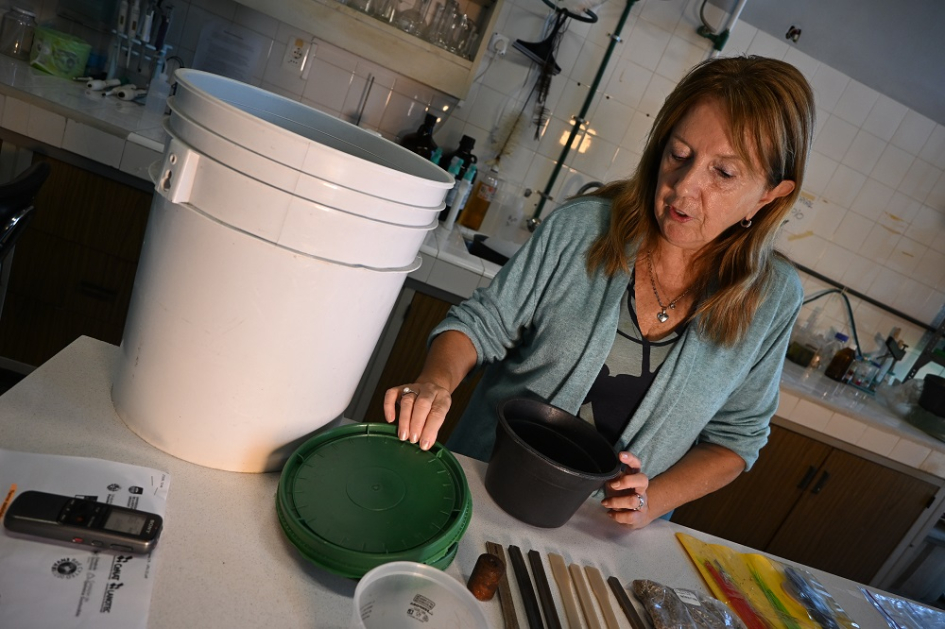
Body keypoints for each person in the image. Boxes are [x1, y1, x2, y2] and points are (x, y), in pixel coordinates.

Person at [383, 55, 814, 529]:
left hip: (600, 536)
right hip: (480, 491)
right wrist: (435, 382)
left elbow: (737, 438)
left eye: (724, 174)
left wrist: (652, 500)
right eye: (679, 154)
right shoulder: (582, 229)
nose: (684, 188)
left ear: (771, 193)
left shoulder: (772, 299)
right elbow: (481, 324)